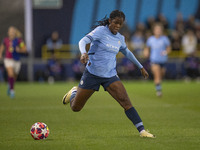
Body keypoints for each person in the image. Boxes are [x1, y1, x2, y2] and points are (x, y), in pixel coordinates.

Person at [62, 10, 155, 138]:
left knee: (126, 102)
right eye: (116, 23)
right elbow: (82, 41)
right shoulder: (100, 31)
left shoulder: (120, 38)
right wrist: (83, 53)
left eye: (120, 24)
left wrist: (140, 67)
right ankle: (73, 93)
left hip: (110, 76)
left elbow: (127, 53)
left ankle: (142, 131)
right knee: (76, 108)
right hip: (92, 74)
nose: (117, 26)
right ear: (110, 21)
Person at [144, 23, 171, 97]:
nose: (158, 31)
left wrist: (165, 52)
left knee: (161, 75)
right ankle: (159, 91)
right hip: (154, 60)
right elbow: (147, 48)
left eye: (159, 29)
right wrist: (146, 52)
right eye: (157, 29)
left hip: (163, 60)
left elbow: (169, 48)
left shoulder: (165, 39)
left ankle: (158, 86)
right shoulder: (151, 39)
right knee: (157, 75)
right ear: (154, 30)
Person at [0, 26, 26, 98]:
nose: (11, 33)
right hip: (8, 59)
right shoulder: (5, 40)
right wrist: (0, 53)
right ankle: (12, 91)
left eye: (13, 31)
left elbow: (24, 49)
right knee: (10, 74)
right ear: (8, 33)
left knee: (14, 77)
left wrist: (19, 50)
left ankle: (10, 85)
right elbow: (2, 46)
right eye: (10, 31)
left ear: (15, 32)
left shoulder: (19, 41)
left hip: (16, 60)